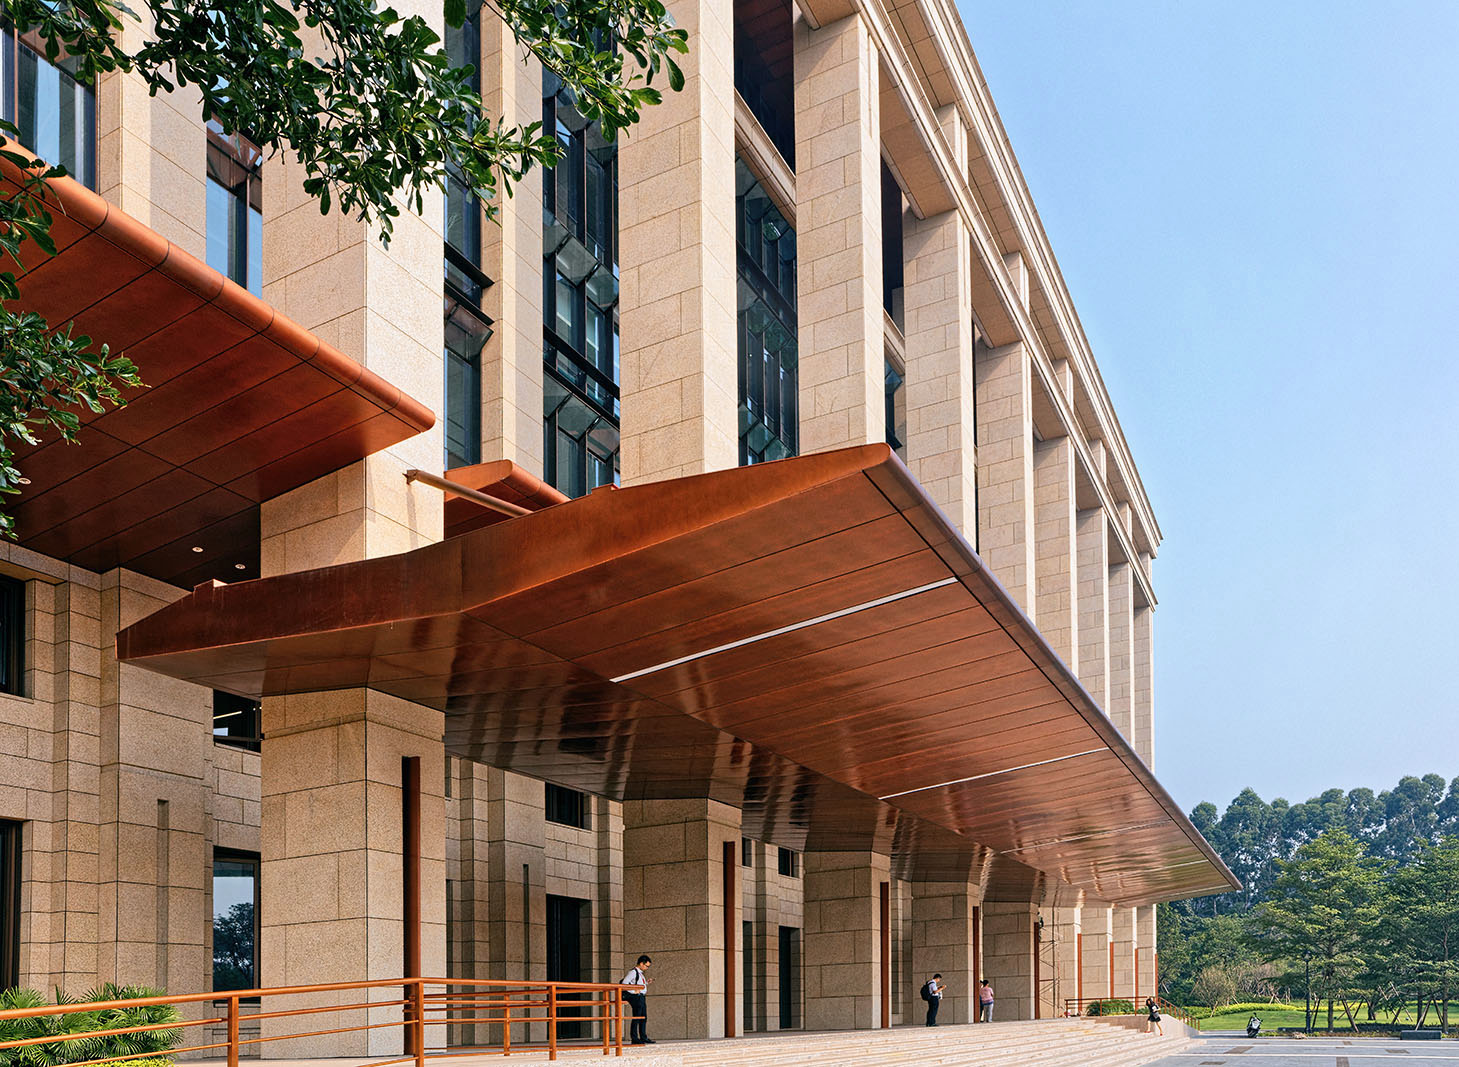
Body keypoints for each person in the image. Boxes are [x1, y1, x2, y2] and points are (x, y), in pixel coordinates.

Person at [620, 955, 653, 1045]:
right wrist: (633, 991)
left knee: (643, 1017)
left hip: (641, 996)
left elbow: (637, 983)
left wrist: (646, 983)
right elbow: (624, 984)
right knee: (637, 1016)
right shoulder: (633, 972)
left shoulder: (640, 973)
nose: (647, 968)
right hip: (636, 997)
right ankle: (634, 1038)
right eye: (646, 966)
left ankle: (643, 1037)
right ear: (641, 963)